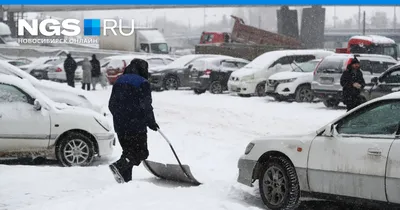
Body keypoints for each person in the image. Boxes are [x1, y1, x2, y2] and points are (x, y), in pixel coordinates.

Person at [108, 58, 159, 183]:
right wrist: (151, 122)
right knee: (141, 153)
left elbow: (111, 104)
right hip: (136, 126)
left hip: (120, 125)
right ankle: (119, 165)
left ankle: (126, 181)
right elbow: (146, 105)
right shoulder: (142, 82)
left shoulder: (119, 80)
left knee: (128, 152)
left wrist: (120, 117)